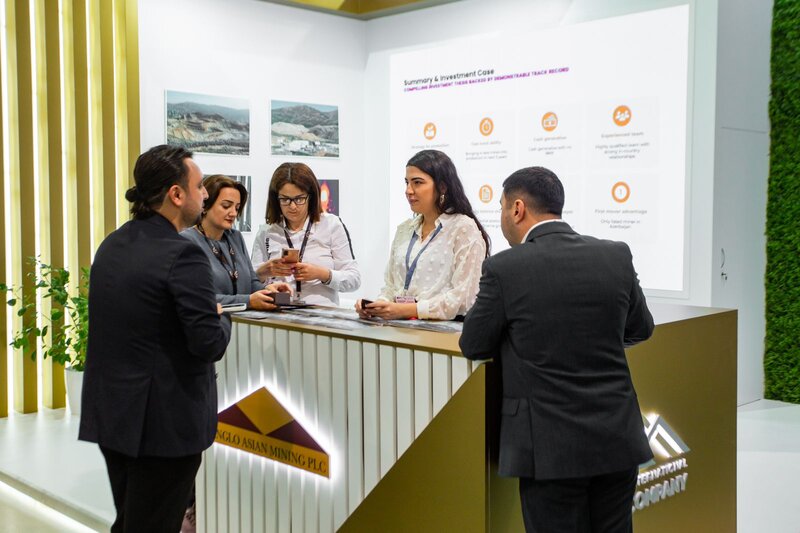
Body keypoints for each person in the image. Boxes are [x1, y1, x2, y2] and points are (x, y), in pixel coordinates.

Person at [459, 166, 654, 533]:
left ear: (517, 208)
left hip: (548, 449)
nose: (501, 217)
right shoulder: (615, 255)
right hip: (616, 437)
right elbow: (641, 329)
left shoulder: (504, 268)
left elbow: (473, 344)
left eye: (501, 208)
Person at [356, 149, 489, 320]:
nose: (408, 190)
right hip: (399, 328)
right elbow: (391, 286)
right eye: (407, 182)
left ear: (442, 187)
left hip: (441, 332)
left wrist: (408, 310)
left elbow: (464, 298)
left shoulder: (463, 228)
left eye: (417, 183)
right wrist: (378, 306)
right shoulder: (404, 229)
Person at [252, 162, 360, 306]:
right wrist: (263, 272)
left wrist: (322, 274)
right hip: (278, 313)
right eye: (285, 199)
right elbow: (250, 282)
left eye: (299, 199)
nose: (292, 206)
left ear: (311, 197)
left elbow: (354, 280)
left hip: (322, 314)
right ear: (276, 199)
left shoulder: (331, 225)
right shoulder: (266, 231)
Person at [182, 174, 287, 310]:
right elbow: (197, 298)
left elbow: (251, 282)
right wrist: (248, 301)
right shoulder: (187, 241)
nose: (233, 213)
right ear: (205, 206)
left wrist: (268, 291)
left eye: (237, 208)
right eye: (226, 206)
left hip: (244, 321)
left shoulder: (236, 237)